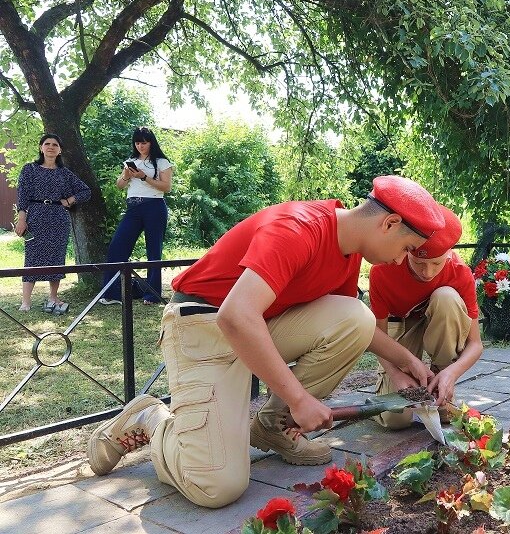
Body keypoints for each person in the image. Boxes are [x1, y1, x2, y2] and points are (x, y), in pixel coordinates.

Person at [87, 175, 444, 508]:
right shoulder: (298, 227)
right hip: (202, 327)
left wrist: (408, 362)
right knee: (217, 487)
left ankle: (274, 426)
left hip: (256, 328)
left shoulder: (348, 253)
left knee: (356, 317)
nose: (401, 260)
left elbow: (354, 329)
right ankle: (152, 419)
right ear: (389, 223)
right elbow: (235, 316)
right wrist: (299, 399)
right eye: (407, 247)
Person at [368, 205, 483, 428]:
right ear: (407, 249)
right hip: (401, 326)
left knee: (447, 297)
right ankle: (390, 389)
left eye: (436, 263)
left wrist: (452, 373)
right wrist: (395, 373)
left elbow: (476, 344)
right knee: (396, 420)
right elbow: (375, 336)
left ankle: (441, 384)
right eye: (419, 263)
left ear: (449, 253)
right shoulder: (384, 269)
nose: (427, 273)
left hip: (440, 320)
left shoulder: (460, 272)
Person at [14, 134, 91, 313]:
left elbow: (85, 191)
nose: (50, 147)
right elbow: (22, 197)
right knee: (32, 258)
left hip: (58, 218)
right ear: (41, 148)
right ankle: (26, 301)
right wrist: (22, 219)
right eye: (47, 144)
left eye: (55, 144)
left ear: (60, 150)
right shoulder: (29, 169)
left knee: (57, 258)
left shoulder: (64, 173)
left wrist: (69, 200)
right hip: (35, 216)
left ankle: (53, 297)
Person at [99, 127, 173, 306]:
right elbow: (119, 185)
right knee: (117, 246)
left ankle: (152, 294)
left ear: (151, 143)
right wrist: (126, 175)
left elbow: (166, 187)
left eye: (144, 143)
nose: (140, 146)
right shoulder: (131, 161)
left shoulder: (162, 162)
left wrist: (143, 177)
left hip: (154, 206)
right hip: (133, 207)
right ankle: (112, 293)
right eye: (137, 143)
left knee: (153, 251)